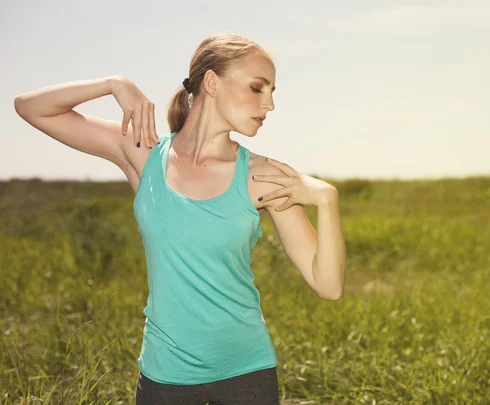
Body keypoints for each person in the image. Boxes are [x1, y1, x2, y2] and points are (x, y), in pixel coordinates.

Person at [14, 32, 346, 405]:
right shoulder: (144, 155)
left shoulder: (263, 176)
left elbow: (327, 284)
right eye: (257, 88)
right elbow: (30, 107)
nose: (269, 104)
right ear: (212, 83)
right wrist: (113, 84)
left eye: (272, 91)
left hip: (246, 376)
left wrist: (327, 200)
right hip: (164, 378)